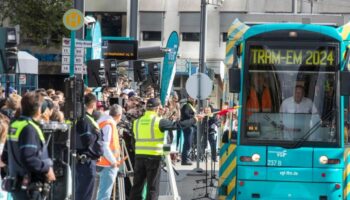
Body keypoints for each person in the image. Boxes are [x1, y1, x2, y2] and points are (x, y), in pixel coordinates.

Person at [129, 98, 203, 200]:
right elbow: (178, 125)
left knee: (137, 187)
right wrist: (194, 119)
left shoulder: (136, 122)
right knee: (152, 188)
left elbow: (133, 141)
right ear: (158, 108)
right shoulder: (159, 121)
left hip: (139, 157)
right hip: (153, 157)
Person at [1, 92, 56, 199]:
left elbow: (5, 157)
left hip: (16, 184)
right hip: (29, 187)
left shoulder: (14, 125)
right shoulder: (29, 128)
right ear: (39, 109)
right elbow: (29, 158)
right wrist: (47, 168)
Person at [75, 93, 104, 200]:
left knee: (87, 193)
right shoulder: (85, 120)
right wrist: (96, 134)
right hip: (86, 162)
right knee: (84, 194)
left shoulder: (88, 119)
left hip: (89, 161)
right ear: (93, 104)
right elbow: (87, 140)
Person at [96, 104, 123, 200]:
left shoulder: (103, 121)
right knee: (104, 194)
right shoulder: (109, 124)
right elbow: (105, 146)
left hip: (101, 162)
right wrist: (113, 161)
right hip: (108, 163)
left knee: (101, 193)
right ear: (119, 115)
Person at [180, 96, 197, 165]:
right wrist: (194, 117)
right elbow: (186, 114)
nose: (194, 100)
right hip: (187, 126)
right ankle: (185, 159)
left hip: (190, 126)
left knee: (189, 143)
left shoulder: (191, 106)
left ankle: (186, 158)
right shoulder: (187, 106)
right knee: (187, 143)